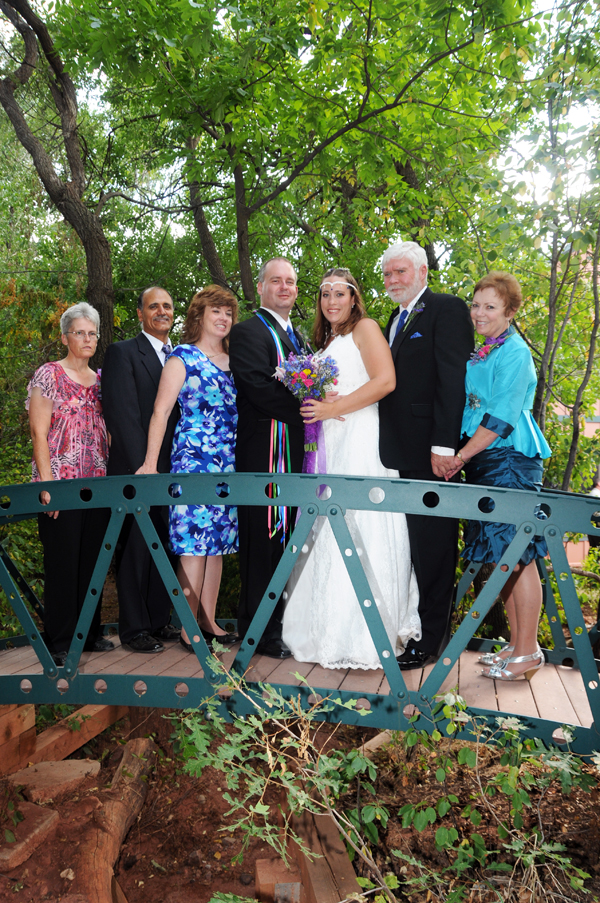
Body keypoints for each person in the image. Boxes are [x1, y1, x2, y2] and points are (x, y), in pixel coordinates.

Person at [282, 269, 421, 669]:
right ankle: (327, 629)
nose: (331, 301)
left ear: (354, 297)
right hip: (332, 442)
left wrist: (331, 409)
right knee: (329, 527)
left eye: (339, 293)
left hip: (361, 438)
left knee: (363, 523)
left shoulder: (366, 328)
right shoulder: (327, 341)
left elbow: (385, 382)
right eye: (325, 294)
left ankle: (367, 634)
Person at [444, 272, 551, 681]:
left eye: (490, 306)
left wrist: (460, 457)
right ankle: (519, 643)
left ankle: (528, 653)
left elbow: (503, 415)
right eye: (476, 304)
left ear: (509, 311)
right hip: (486, 458)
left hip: (509, 457)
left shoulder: (515, 352)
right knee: (503, 555)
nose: (479, 313)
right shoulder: (486, 350)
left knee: (518, 556)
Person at [379, 241, 474, 669]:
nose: (392, 280)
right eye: (387, 274)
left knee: (434, 547)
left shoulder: (446, 309)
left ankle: (431, 641)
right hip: (395, 451)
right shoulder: (393, 319)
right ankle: (414, 630)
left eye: (400, 272)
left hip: (429, 452)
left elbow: (452, 378)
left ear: (421, 272)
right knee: (410, 547)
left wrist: (443, 445)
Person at [136, 286, 239, 651]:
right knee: (194, 545)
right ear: (199, 315)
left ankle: (209, 621)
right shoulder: (183, 357)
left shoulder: (235, 359)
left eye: (228, 312)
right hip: (194, 460)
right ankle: (186, 625)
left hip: (229, 462)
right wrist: (150, 463)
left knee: (218, 545)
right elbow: (161, 412)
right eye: (216, 311)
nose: (223, 317)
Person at [229, 257, 308, 659]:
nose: (284, 287)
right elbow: (255, 385)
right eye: (275, 281)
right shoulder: (247, 333)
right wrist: (308, 409)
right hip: (265, 453)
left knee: (286, 541)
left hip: (294, 453)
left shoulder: (300, 338)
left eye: (290, 282)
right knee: (263, 541)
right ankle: (258, 632)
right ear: (259, 287)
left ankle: (281, 625)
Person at [27, 302, 112, 667]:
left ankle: (89, 634)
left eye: (92, 332)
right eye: (80, 332)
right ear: (65, 337)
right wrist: (47, 484)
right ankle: (60, 639)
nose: (87, 338)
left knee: (92, 561)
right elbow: (38, 431)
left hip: (96, 484)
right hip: (60, 484)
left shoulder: (102, 380)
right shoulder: (48, 374)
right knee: (62, 561)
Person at [101, 286, 181, 653]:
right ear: (140, 313)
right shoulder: (122, 353)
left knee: (165, 543)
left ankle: (158, 620)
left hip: (174, 467)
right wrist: (142, 466)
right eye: (154, 306)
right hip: (139, 469)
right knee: (135, 546)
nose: (161, 311)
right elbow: (122, 414)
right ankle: (133, 629)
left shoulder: (179, 357)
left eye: (166, 306)